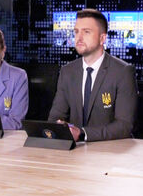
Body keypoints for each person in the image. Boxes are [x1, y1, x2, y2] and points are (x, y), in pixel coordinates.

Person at [47, 8, 137, 142]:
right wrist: (60, 127)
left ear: (102, 38)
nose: (79, 37)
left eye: (86, 32)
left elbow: (124, 126)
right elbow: (55, 118)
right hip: (75, 150)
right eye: (76, 31)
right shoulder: (67, 72)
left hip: (111, 149)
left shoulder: (122, 72)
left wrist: (83, 134)